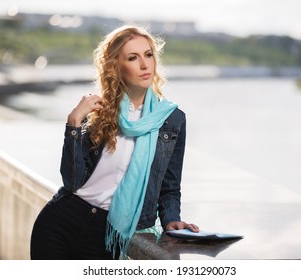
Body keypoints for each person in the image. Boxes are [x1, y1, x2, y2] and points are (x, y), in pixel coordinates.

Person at [30, 25, 199, 260]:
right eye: (133, 57)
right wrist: (73, 124)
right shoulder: (98, 111)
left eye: (148, 55)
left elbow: (169, 186)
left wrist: (171, 219)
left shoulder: (172, 119)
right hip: (61, 222)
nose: (144, 64)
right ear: (117, 66)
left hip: (108, 233)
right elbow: (72, 181)